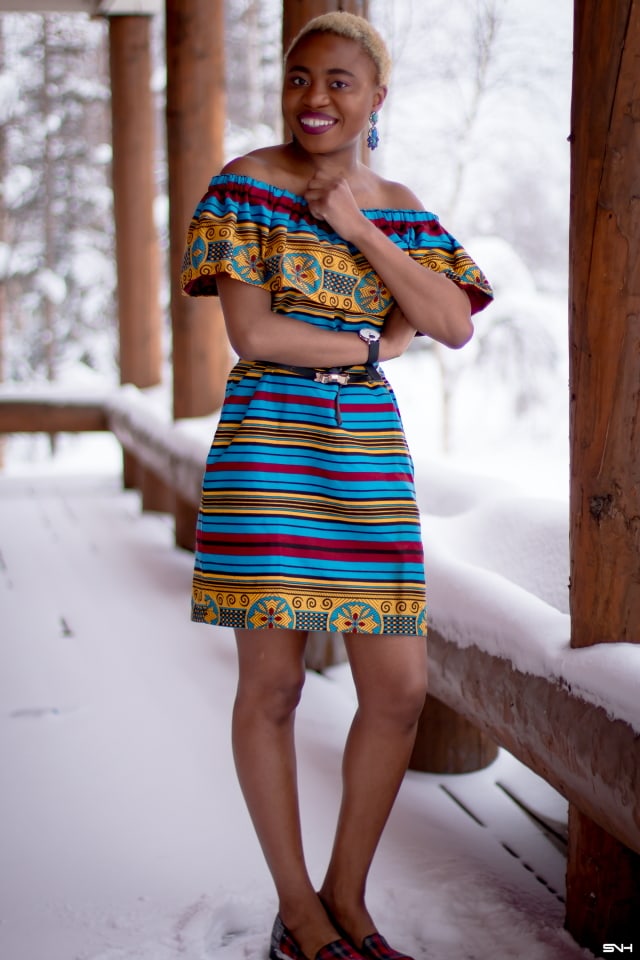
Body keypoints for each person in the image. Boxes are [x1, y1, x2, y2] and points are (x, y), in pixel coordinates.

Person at [181, 12, 493, 960]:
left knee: (398, 690)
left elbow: (450, 320)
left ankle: (348, 898)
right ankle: (299, 912)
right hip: (268, 448)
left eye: (340, 82)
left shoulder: (395, 204)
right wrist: (368, 343)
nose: (315, 98)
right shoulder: (244, 185)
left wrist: (354, 222)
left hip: (366, 458)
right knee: (271, 686)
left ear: (376, 99)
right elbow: (258, 336)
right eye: (298, 77)